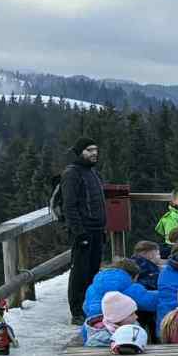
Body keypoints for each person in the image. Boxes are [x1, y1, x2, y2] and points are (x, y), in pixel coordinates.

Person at [61, 138, 106, 323]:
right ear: (80, 152)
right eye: (89, 150)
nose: (94, 153)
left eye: (95, 149)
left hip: (97, 229)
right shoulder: (72, 173)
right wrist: (79, 232)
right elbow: (69, 206)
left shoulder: (92, 172)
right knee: (79, 272)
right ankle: (77, 312)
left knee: (93, 270)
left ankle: (89, 307)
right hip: (83, 231)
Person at [85, 257, 157, 321]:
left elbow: (85, 307)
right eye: (136, 278)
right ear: (132, 276)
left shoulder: (92, 287)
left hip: (93, 325)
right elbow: (150, 302)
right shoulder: (127, 286)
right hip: (115, 325)